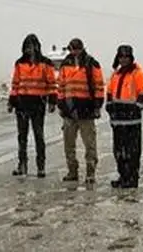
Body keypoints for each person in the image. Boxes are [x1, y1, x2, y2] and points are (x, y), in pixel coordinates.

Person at [56, 38, 105, 185]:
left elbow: (99, 87)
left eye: (77, 49)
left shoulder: (92, 63)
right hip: (69, 111)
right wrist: (61, 105)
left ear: (82, 48)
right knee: (68, 144)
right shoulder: (65, 64)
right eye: (72, 49)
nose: (74, 52)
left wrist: (97, 106)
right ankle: (72, 171)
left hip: (87, 110)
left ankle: (90, 173)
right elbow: (61, 87)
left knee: (89, 144)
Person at [8, 33, 57, 178]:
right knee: (22, 137)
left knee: (38, 136)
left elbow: (51, 84)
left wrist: (52, 101)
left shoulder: (45, 63)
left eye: (32, 46)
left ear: (37, 47)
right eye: (27, 47)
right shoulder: (19, 63)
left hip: (38, 104)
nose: (30, 49)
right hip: (22, 104)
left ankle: (41, 166)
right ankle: (22, 165)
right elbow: (15, 84)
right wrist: (11, 101)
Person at [105, 44, 143, 188]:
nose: (123, 59)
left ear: (131, 58)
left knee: (132, 152)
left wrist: (136, 109)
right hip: (118, 121)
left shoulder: (138, 73)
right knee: (119, 152)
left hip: (132, 121)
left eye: (126, 57)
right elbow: (110, 93)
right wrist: (109, 107)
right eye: (121, 56)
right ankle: (123, 176)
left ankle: (132, 178)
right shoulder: (115, 75)